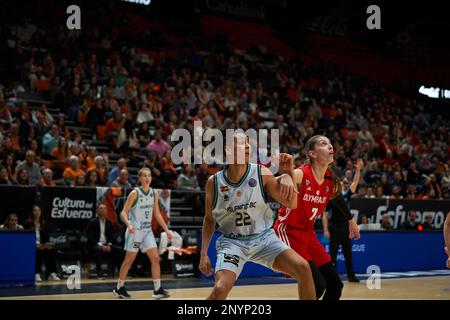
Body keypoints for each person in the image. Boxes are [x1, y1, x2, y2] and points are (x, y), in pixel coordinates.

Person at [199, 132, 315, 300]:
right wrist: (203, 254)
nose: (247, 146)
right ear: (228, 150)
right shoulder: (214, 183)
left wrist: (288, 173)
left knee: (303, 268)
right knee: (220, 289)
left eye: (248, 143)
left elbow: (292, 204)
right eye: (241, 143)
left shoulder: (261, 173)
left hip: (264, 239)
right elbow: (209, 219)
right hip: (233, 242)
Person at [274, 135, 359, 300]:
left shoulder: (331, 180)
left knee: (335, 285)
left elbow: (339, 198)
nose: (330, 145)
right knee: (317, 285)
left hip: (308, 235)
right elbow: (272, 184)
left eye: (330, 143)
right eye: (323, 143)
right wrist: (284, 176)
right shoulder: (300, 174)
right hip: (288, 232)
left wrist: (351, 221)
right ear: (312, 153)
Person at [113, 168, 173, 299]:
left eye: (149, 176)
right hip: (135, 231)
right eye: (145, 176)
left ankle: (157, 289)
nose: (147, 178)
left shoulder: (153, 193)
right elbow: (123, 212)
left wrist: (166, 229)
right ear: (140, 178)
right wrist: (128, 224)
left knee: (156, 258)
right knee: (129, 260)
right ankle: (119, 287)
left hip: (147, 231)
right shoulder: (135, 193)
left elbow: (157, 213)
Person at [322, 159, 363, 283]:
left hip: (346, 229)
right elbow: (325, 214)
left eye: (343, 182)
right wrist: (325, 230)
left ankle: (351, 276)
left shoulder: (346, 195)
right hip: (334, 229)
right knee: (333, 255)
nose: (342, 183)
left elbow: (355, 182)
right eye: (340, 182)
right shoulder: (331, 197)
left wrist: (358, 170)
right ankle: (332, 278)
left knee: (348, 254)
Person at [86, 204, 122, 278]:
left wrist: (109, 244)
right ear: (97, 210)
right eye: (101, 208)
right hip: (96, 244)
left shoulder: (109, 222)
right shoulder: (92, 222)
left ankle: (120, 272)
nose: (103, 210)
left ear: (107, 211)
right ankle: (100, 273)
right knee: (98, 250)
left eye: (105, 208)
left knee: (119, 250)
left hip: (106, 244)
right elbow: (90, 237)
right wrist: (100, 245)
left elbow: (112, 236)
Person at [25, 206, 60, 281]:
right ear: (32, 212)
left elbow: (46, 237)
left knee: (51, 250)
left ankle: (51, 273)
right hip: (32, 246)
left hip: (42, 245)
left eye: (39, 210)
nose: (37, 212)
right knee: (38, 252)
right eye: (35, 210)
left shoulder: (44, 223)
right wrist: (36, 245)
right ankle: (36, 273)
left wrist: (47, 244)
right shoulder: (28, 223)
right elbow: (26, 238)